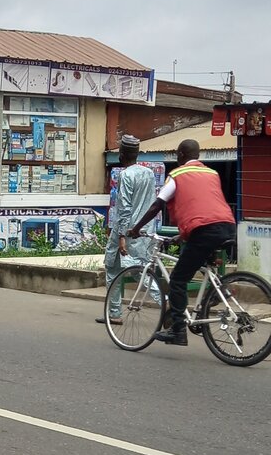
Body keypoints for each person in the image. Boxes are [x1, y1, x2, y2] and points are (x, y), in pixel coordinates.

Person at [129, 138, 235, 346]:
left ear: (180, 155)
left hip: (204, 230)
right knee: (205, 265)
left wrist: (136, 228)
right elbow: (204, 206)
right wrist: (182, 235)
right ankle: (219, 292)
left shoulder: (178, 174)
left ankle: (178, 331)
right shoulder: (212, 173)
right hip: (226, 226)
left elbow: (157, 205)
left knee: (178, 280)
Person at [96, 134, 157, 325]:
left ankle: (115, 312)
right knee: (136, 269)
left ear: (122, 154)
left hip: (126, 230)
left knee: (121, 270)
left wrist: (121, 236)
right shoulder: (149, 174)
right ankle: (165, 301)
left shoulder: (126, 175)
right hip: (144, 229)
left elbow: (124, 207)